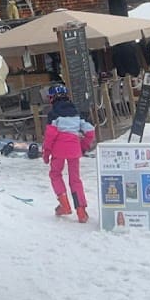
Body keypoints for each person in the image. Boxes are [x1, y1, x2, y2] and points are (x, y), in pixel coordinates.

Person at [42, 84, 96, 223]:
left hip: (58, 149)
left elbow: (50, 135)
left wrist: (46, 152)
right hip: (74, 148)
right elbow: (90, 132)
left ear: (52, 98)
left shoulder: (53, 114)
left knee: (55, 174)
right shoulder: (76, 113)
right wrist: (83, 147)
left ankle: (64, 205)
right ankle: (81, 211)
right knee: (75, 179)